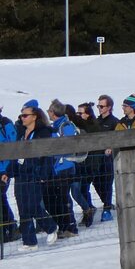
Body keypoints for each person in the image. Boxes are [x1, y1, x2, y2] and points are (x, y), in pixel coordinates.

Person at [2, 101, 58, 250]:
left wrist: (43, 174)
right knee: (22, 208)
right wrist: (8, 172)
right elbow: (16, 154)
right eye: (21, 115)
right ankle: (29, 242)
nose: (22, 118)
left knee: (33, 205)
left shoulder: (44, 132)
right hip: (21, 174)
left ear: (35, 116)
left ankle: (51, 227)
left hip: (35, 174)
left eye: (25, 115)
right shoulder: (21, 133)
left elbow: (48, 156)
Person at [45, 99, 80, 238]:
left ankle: (71, 227)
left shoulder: (65, 125)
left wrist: (55, 154)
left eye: (49, 110)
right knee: (57, 198)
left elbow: (69, 146)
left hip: (65, 166)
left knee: (64, 198)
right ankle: (64, 225)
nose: (48, 112)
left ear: (53, 112)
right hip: (58, 167)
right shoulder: (57, 125)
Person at [72, 102, 100, 227]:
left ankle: (89, 211)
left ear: (88, 114)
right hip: (83, 162)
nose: (78, 115)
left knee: (82, 189)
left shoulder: (92, 126)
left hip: (91, 163)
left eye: (80, 113)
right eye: (77, 113)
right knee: (82, 189)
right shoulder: (78, 126)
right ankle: (88, 211)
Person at [94, 94, 119, 222]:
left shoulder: (114, 122)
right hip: (97, 158)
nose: (99, 108)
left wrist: (111, 147)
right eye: (98, 106)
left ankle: (107, 209)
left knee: (107, 183)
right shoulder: (97, 121)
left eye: (102, 106)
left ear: (109, 107)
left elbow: (118, 139)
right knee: (96, 182)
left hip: (108, 158)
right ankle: (107, 203)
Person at [0, 105, 17, 243]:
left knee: (1, 198)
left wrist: (6, 169)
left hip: (3, 169)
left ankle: (10, 227)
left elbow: (13, 147)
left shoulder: (5, 124)